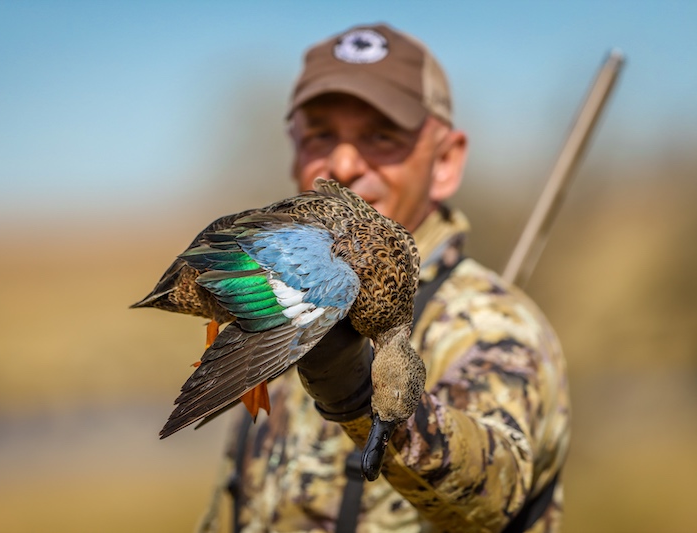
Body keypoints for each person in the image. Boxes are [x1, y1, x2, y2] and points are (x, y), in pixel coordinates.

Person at [196, 23, 570, 533]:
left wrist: (359, 398)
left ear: (445, 162)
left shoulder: (492, 325)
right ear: (295, 147)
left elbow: (497, 485)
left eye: (381, 136)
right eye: (321, 134)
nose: (345, 163)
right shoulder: (287, 291)